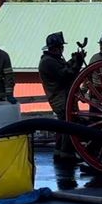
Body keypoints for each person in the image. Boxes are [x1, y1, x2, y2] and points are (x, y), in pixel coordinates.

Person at [39, 31, 84, 161]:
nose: (62, 50)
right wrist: (78, 62)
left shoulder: (51, 60)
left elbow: (64, 67)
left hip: (61, 97)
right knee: (69, 125)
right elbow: (66, 74)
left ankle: (59, 152)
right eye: (60, 47)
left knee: (62, 125)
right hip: (61, 98)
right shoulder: (49, 62)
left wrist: (74, 59)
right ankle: (67, 154)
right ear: (55, 48)